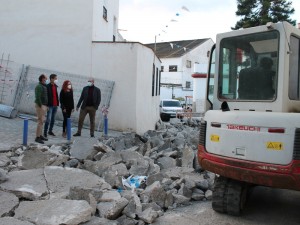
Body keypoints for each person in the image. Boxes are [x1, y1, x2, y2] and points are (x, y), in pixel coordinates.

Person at [34, 74, 48, 144]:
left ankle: (40, 135)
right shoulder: (39, 86)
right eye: (45, 78)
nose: (46, 79)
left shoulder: (44, 86)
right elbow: (38, 97)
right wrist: (41, 105)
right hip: (40, 106)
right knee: (40, 121)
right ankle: (37, 137)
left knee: (42, 121)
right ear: (42, 79)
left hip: (44, 105)